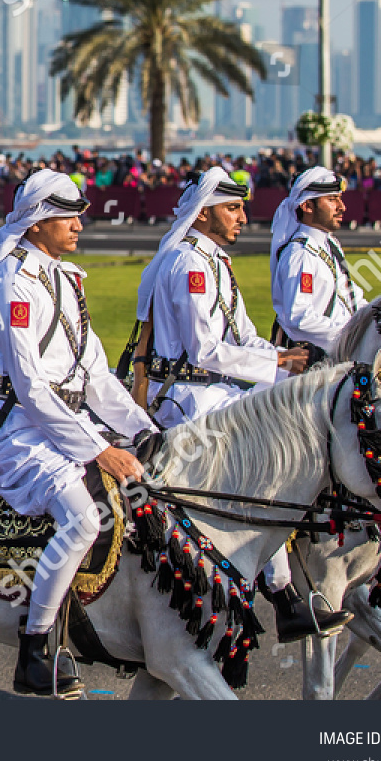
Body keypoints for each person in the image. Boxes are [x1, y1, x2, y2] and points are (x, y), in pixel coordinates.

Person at [135, 167, 347, 642]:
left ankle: (287, 578)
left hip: (222, 389)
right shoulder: (189, 263)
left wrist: (282, 359)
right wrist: (273, 364)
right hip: (191, 396)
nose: (242, 218)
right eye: (232, 208)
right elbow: (206, 349)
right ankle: (282, 594)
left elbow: (243, 332)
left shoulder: (216, 262)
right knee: (262, 465)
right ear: (205, 211)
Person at [0, 170, 153, 697]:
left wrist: (144, 429)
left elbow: (96, 376)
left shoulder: (66, 277)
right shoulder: (12, 280)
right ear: (37, 222)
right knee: (81, 518)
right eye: (67, 216)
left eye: (78, 215)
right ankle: (36, 648)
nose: (78, 224)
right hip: (19, 430)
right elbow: (30, 387)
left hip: (64, 422)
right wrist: (100, 450)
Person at [270, 166, 365, 363]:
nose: (342, 207)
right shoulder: (300, 254)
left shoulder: (329, 245)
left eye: (339, 199)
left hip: (336, 355)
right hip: (310, 364)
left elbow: (349, 296)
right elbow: (299, 317)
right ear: (307, 206)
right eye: (332, 200)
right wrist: (351, 334)